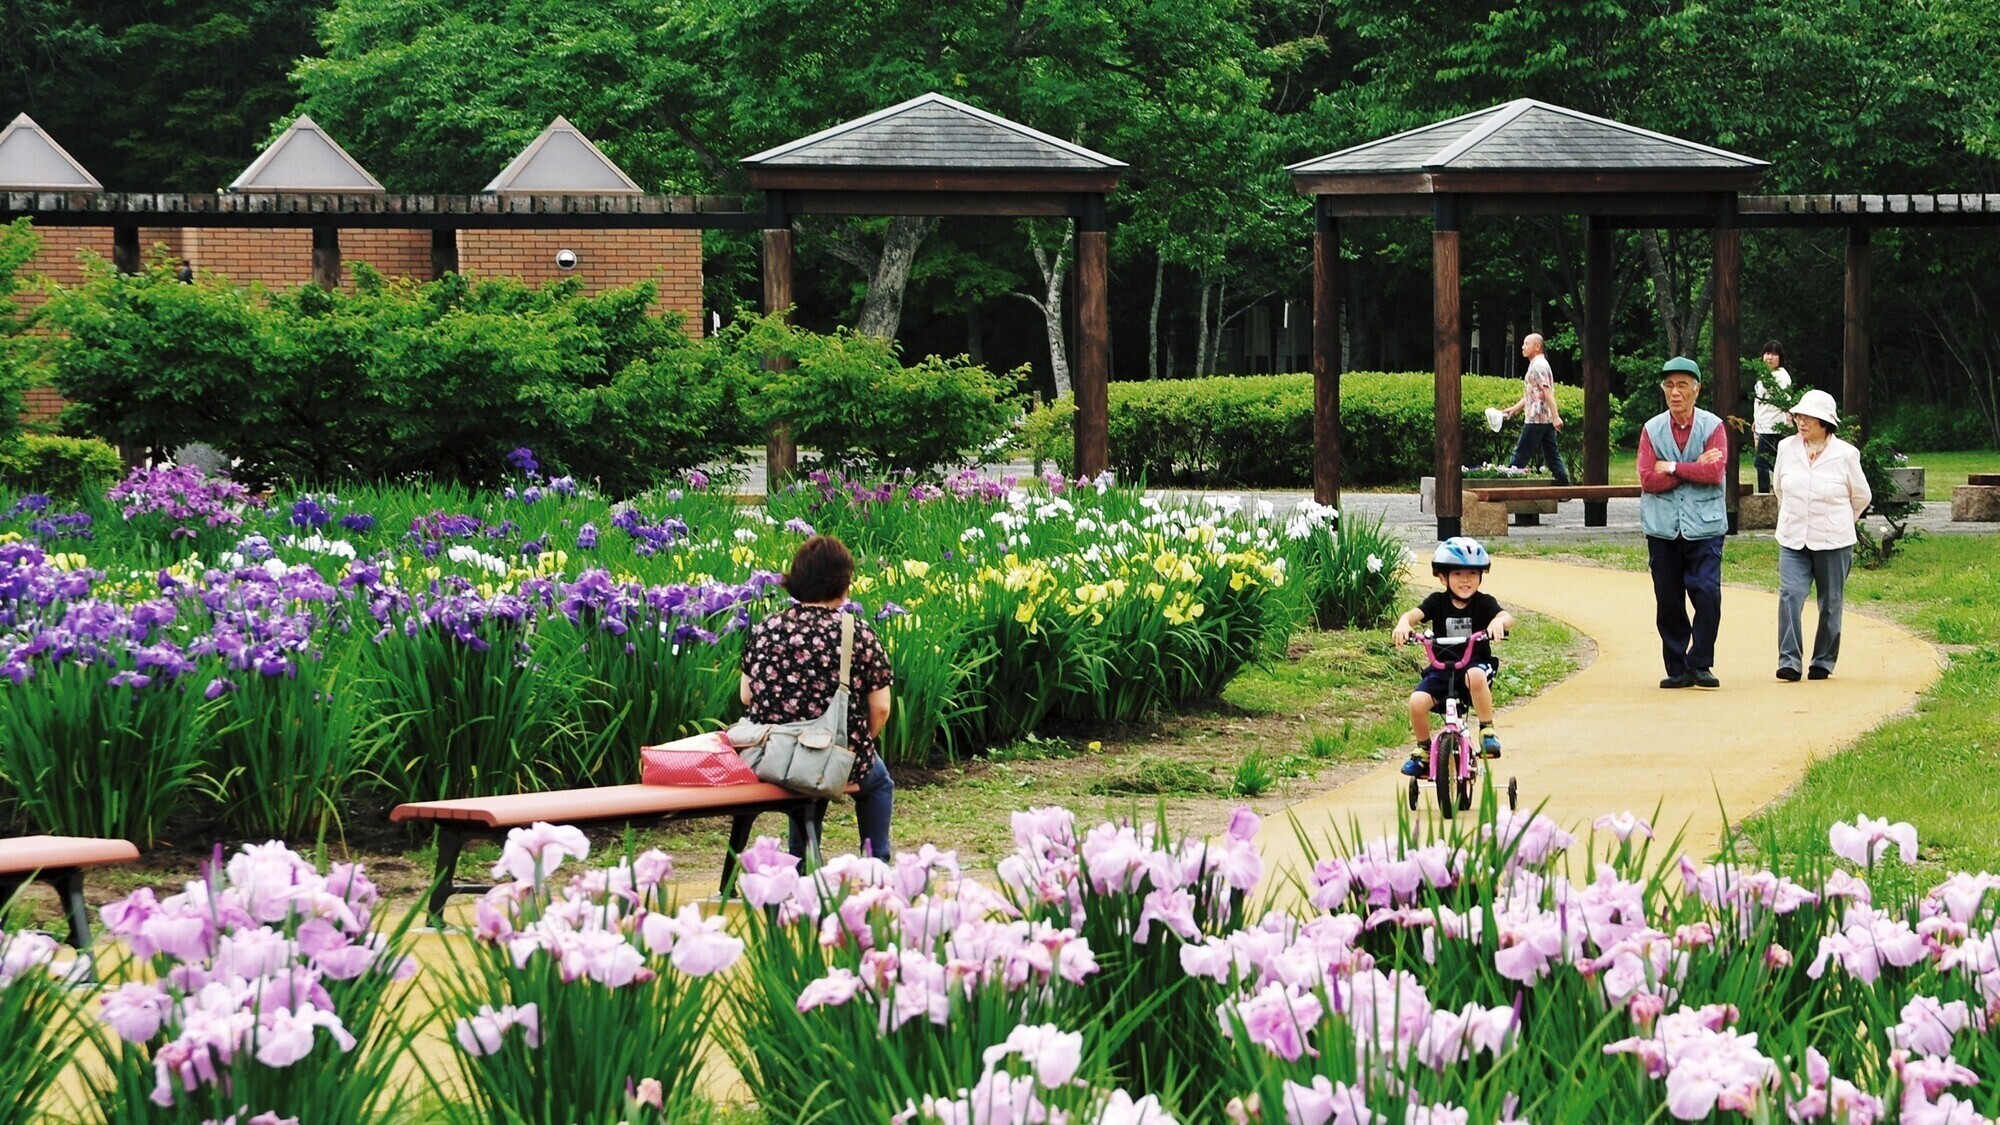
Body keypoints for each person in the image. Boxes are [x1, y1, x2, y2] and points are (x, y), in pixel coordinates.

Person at [739, 535, 896, 859]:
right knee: (877, 783)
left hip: (776, 755)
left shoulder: (766, 628)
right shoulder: (856, 631)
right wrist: (859, 744)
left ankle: (803, 864)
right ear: (843, 583)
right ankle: (876, 864)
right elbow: (880, 708)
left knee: (805, 775)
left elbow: (746, 696)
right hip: (833, 752)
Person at [1639, 357, 1729, 689]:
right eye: (1669, 385)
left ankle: (1700, 662)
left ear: (1696, 389)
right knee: (1668, 599)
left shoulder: (1713, 426)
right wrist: (1693, 467)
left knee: (1707, 593)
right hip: (1662, 527)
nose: (1674, 392)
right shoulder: (1651, 429)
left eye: (1682, 385)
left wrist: (1673, 467)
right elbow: (1648, 479)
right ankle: (1677, 668)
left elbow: (1714, 472)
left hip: (1705, 526)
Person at [1394, 537, 1515, 777]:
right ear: (1443, 577)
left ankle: (1487, 730)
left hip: (1474, 664)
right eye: (1457, 573)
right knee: (1417, 702)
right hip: (1442, 668)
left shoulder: (1484, 603)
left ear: (1481, 576)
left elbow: (1506, 617)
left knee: (1475, 675)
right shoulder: (1436, 602)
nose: (1465, 580)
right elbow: (1412, 615)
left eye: (1472, 573)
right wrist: (1403, 624)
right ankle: (1424, 750)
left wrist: (1498, 623)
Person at [1772, 389, 1871, 681]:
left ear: (1825, 422)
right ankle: (1789, 660)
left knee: (1830, 603)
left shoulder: (1846, 454)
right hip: (1793, 537)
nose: (1801, 422)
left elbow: (1861, 496)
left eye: (1809, 417)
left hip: (1833, 540)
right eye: (1799, 416)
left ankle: (1823, 661)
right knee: (1790, 595)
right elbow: (1779, 489)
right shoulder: (1786, 448)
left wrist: (1840, 521)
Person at [1500, 333, 1570, 484]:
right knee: (1552, 457)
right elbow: (1532, 393)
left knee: (1520, 455)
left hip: (1536, 418)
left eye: (1527, 344)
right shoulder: (1538, 364)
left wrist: (1556, 416)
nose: (1523, 347)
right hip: (1544, 418)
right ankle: (1564, 487)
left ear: (1537, 347)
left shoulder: (1538, 366)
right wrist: (1515, 409)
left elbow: (1547, 392)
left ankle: (1505, 487)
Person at [1752, 340, 1794, 494]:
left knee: (1762, 462)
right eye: (1767, 353)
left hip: (1773, 427)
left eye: (1774, 354)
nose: (1770, 357)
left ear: (1780, 358)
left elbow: (1784, 401)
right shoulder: (1765, 375)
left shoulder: (1781, 376)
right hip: (1763, 425)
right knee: (1774, 462)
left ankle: (1764, 495)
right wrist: (1755, 420)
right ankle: (1788, 486)